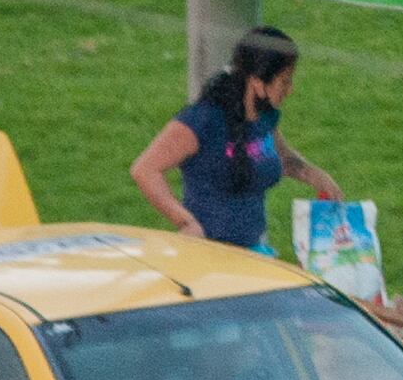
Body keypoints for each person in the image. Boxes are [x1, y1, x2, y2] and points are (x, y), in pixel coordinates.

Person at [133, 26, 338, 253]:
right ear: (257, 82)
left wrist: (317, 177)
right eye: (284, 81)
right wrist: (186, 222)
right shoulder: (203, 120)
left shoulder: (265, 116)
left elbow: (283, 158)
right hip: (206, 254)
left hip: (252, 252)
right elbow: (144, 169)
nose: (290, 89)